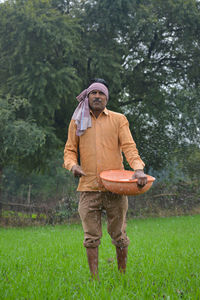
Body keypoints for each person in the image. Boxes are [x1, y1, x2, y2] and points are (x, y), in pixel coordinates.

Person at [63, 78, 147, 279]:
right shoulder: (78, 120)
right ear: (88, 96)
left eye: (101, 94)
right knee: (91, 237)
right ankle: (94, 279)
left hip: (115, 188)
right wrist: (73, 166)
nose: (97, 97)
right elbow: (69, 150)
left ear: (107, 98)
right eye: (94, 93)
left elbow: (129, 147)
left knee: (119, 235)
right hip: (88, 187)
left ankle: (122, 275)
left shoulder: (119, 119)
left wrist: (138, 168)